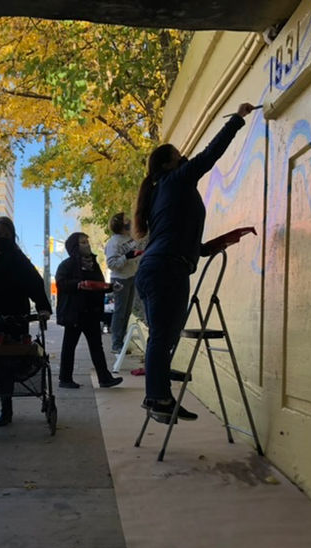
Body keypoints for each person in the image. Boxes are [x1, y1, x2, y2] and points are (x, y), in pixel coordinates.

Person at [133, 103, 257, 423]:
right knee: (163, 335)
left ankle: (158, 386)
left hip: (160, 268)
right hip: (166, 270)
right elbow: (210, 155)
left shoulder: (163, 191)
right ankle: (158, 396)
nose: (184, 156)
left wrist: (210, 246)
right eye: (178, 154)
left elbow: (176, 235)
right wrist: (237, 119)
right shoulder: (176, 180)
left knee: (164, 334)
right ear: (167, 163)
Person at [0, 217, 52, 427]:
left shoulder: (19, 260)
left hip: (13, 319)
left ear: (13, 236)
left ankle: (6, 408)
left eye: (6, 234)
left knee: (6, 362)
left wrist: (43, 307)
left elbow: (35, 283)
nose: (1, 237)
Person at [54, 232, 124, 390]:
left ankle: (104, 378)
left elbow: (98, 285)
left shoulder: (94, 264)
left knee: (96, 346)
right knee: (69, 346)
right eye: (83, 242)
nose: (87, 245)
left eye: (87, 241)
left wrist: (111, 287)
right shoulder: (67, 265)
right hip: (75, 313)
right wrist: (78, 284)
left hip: (91, 312)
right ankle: (65, 378)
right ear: (75, 247)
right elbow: (61, 283)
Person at [104, 211, 145, 353]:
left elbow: (136, 251)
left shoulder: (129, 238)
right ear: (121, 225)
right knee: (120, 312)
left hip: (131, 276)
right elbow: (112, 264)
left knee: (127, 311)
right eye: (126, 220)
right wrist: (126, 257)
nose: (129, 222)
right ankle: (116, 344)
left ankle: (122, 341)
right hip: (120, 280)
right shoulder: (114, 243)